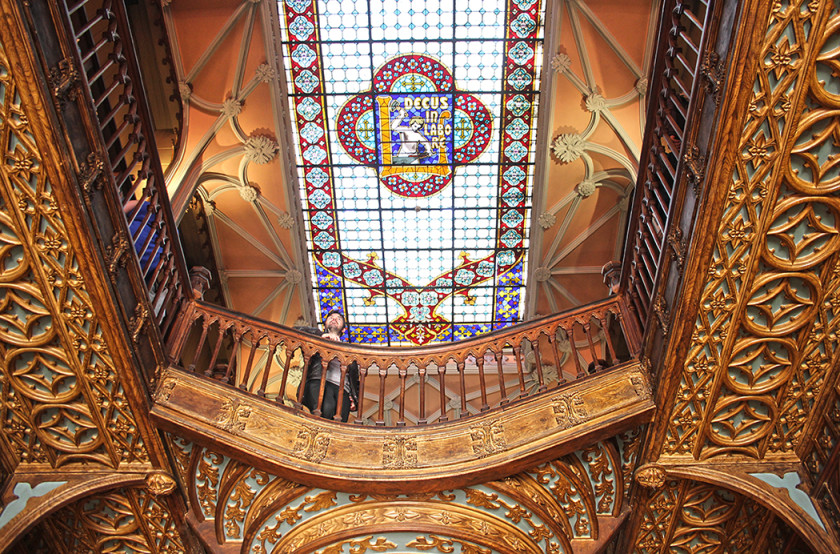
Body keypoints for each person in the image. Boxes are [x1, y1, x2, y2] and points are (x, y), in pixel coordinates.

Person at [298, 310, 359, 422]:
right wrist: (321, 336)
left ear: (344, 329)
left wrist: (353, 396)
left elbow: (354, 377)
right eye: (331, 317)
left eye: (338, 318)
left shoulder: (350, 350)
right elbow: (296, 330)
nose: (334, 319)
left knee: (340, 421)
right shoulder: (318, 337)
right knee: (326, 409)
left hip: (342, 389)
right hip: (319, 381)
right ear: (325, 324)